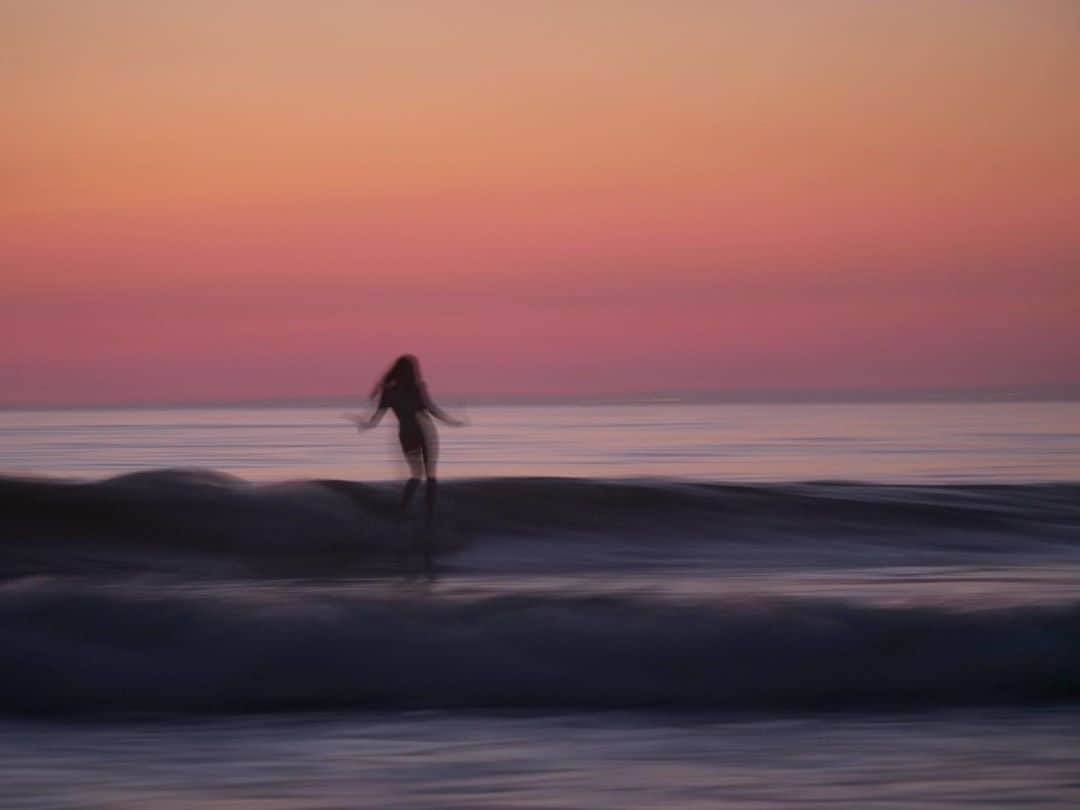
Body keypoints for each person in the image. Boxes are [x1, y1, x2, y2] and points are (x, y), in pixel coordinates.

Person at [358, 354, 463, 528]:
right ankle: (426, 519)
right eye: (413, 369)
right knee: (428, 477)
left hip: (407, 434)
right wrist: (450, 421)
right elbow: (430, 409)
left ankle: (404, 513)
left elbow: (375, 419)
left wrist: (365, 424)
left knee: (417, 476)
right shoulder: (415, 387)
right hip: (422, 431)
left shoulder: (389, 392)